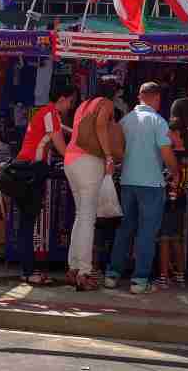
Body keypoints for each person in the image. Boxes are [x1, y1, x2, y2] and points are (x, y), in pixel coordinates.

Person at [105, 82, 180, 294]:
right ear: (156, 98)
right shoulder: (158, 121)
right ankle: (139, 280)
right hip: (151, 184)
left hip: (128, 182)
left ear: (139, 96)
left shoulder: (125, 121)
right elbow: (167, 154)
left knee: (124, 230)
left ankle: (112, 275)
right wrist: (175, 173)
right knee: (147, 233)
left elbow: (117, 151)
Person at [13, 83, 76, 286]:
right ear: (62, 99)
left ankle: (27, 269)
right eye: (70, 101)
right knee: (27, 223)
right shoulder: (50, 114)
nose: (71, 105)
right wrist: (80, 158)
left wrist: (74, 131)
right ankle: (29, 271)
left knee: (26, 222)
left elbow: (59, 129)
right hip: (31, 171)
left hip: (27, 169)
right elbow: (61, 147)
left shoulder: (48, 113)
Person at [63, 82, 120, 291]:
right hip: (88, 161)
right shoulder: (105, 104)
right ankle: (85, 273)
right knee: (88, 218)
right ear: (114, 93)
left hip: (71, 160)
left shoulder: (83, 104)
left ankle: (73, 267)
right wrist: (108, 156)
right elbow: (100, 126)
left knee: (81, 216)